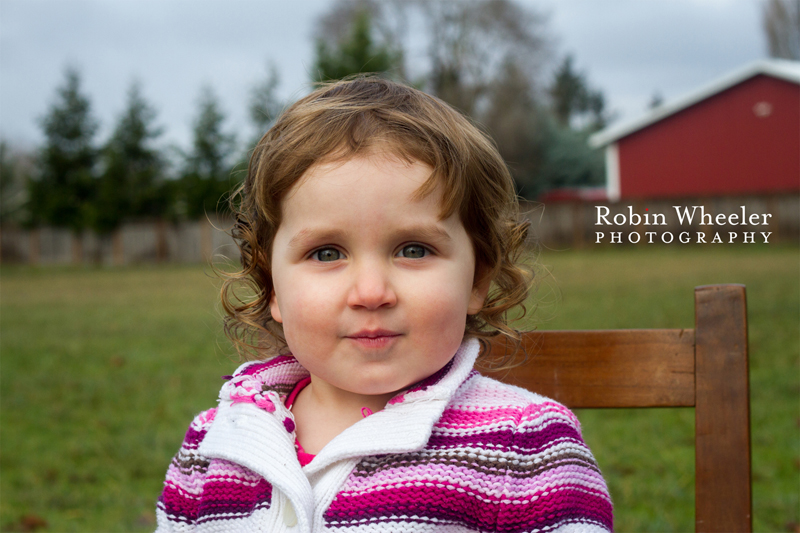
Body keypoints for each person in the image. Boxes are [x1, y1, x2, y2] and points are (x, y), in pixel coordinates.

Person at [156, 77, 613, 532]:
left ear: (478, 280)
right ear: (272, 287)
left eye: (413, 250)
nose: (371, 292)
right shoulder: (214, 445)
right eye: (327, 253)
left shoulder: (524, 447)